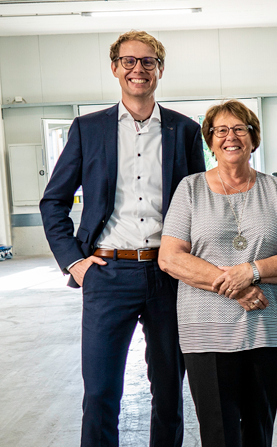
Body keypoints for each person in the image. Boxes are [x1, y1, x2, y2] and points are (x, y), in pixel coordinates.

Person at [40, 30, 205, 447]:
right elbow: (53, 201)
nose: (138, 69)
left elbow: (199, 203)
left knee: (169, 391)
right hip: (107, 273)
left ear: (160, 70)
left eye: (148, 61)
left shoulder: (185, 130)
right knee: (100, 392)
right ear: (115, 68)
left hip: (168, 274)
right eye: (129, 61)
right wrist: (74, 262)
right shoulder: (87, 129)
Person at [158, 100, 277, 447]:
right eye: (221, 130)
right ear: (210, 141)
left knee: (259, 430)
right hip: (206, 331)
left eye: (240, 129)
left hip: (267, 328)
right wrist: (235, 287)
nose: (231, 137)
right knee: (218, 434)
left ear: (254, 138)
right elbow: (170, 258)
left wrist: (251, 271)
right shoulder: (190, 189)